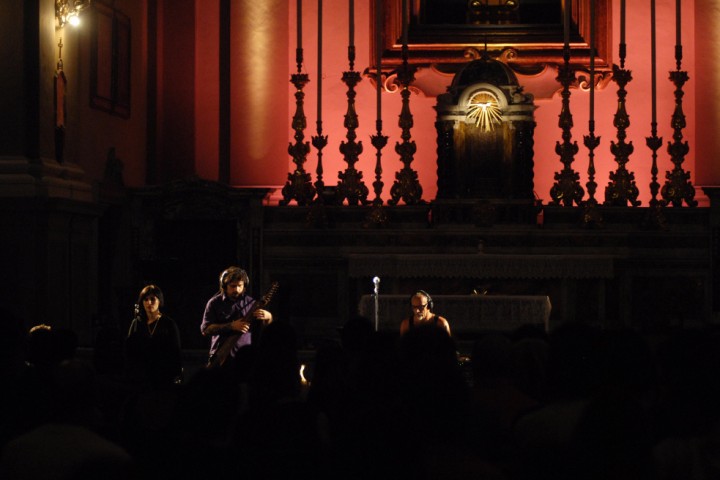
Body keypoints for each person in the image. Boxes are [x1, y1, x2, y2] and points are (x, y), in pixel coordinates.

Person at [201, 266, 273, 368]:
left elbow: (265, 332)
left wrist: (269, 317)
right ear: (224, 286)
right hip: (220, 357)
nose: (237, 290)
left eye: (240, 285)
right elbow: (205, 330)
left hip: (244, 358)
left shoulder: (251, 303)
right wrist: (231, 326)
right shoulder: (214, 303)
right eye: (232, 286)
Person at [124, 284, 182, 385]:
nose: (149, 302)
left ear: (159, 300)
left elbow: (176, 351)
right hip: (140, 377)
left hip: (163, 376)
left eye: (152, 299)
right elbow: (129, 349)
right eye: (145, 299)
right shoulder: (137, 322)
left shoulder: (168, 323)